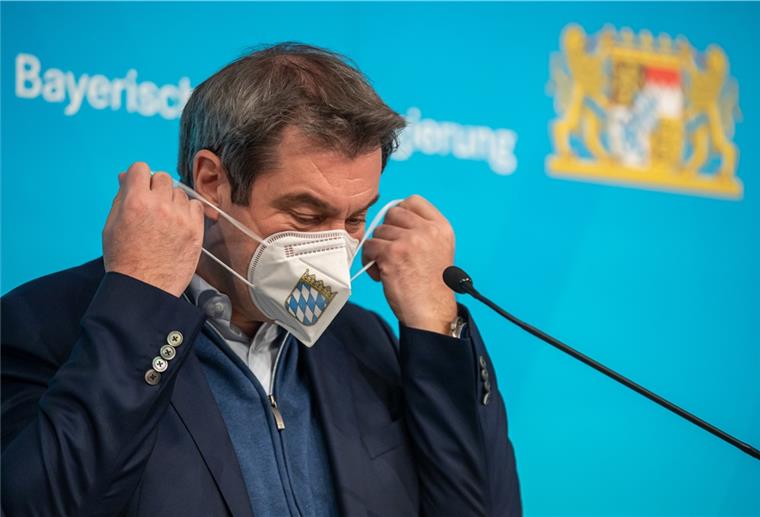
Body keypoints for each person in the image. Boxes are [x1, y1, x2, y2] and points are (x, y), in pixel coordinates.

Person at [1, 43, 521, 517]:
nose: (334, 247)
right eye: (306, 215)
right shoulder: (44, 325)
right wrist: (140, 304)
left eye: (356, 217)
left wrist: (435, 325)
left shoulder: (363, 339)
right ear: (211, 182)